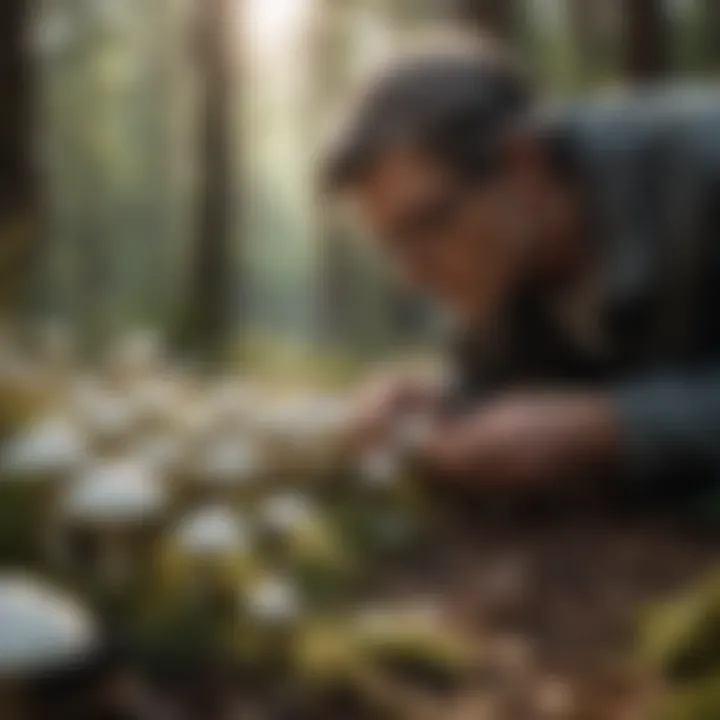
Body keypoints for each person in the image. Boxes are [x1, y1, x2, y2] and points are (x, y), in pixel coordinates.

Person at [321, 33, 720, 507]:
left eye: (427, 223)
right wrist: (438, 406)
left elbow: (591, 418)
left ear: (523, 162)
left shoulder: (701, 166)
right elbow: (508, 393)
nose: (410, 273)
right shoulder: (505, 266)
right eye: (393, 244)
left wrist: (611, 427)